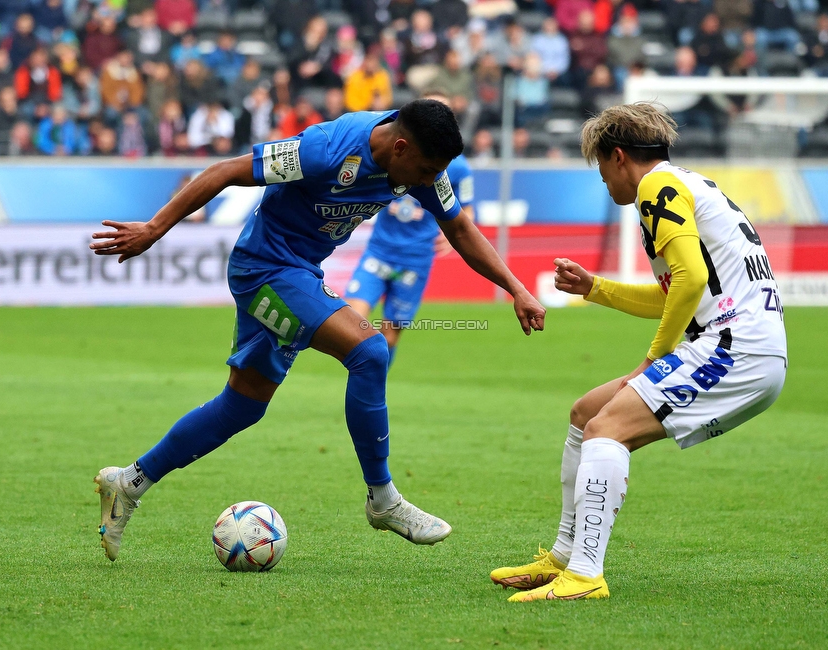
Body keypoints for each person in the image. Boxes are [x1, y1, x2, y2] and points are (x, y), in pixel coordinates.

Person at [90, 100, 546, 562]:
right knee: (370, 351)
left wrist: (516, 289)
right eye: (427, 169)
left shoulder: (418, 167)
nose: (429, 181)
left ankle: (128, 482)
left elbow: (460, 227)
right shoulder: (324, 150)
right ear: (402, 146)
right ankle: (382, 499)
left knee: (242, 406)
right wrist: (154, 228)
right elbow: (224, 171)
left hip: (298, 273)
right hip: (264, 272)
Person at [491, 102, 787, 601]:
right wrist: (595, 289)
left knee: (608, 429)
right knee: (587, 414)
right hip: (738, 344)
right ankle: (564, 556)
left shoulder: (656, 187)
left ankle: (585, 574)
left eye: (602, 168)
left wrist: (652, 359)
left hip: (735, 348)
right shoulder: (687, 185)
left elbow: (690, 278)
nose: (605, 184)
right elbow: (682, 291)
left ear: (619, 157)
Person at [345, 91, 475, 368]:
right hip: (380, 249)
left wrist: (452, 239)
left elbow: (467, 210)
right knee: (354, 323)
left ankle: (373, 381)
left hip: (416, 257)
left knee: (389, 336)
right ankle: (365, 373)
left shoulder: (458, 167)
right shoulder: (396, 149)